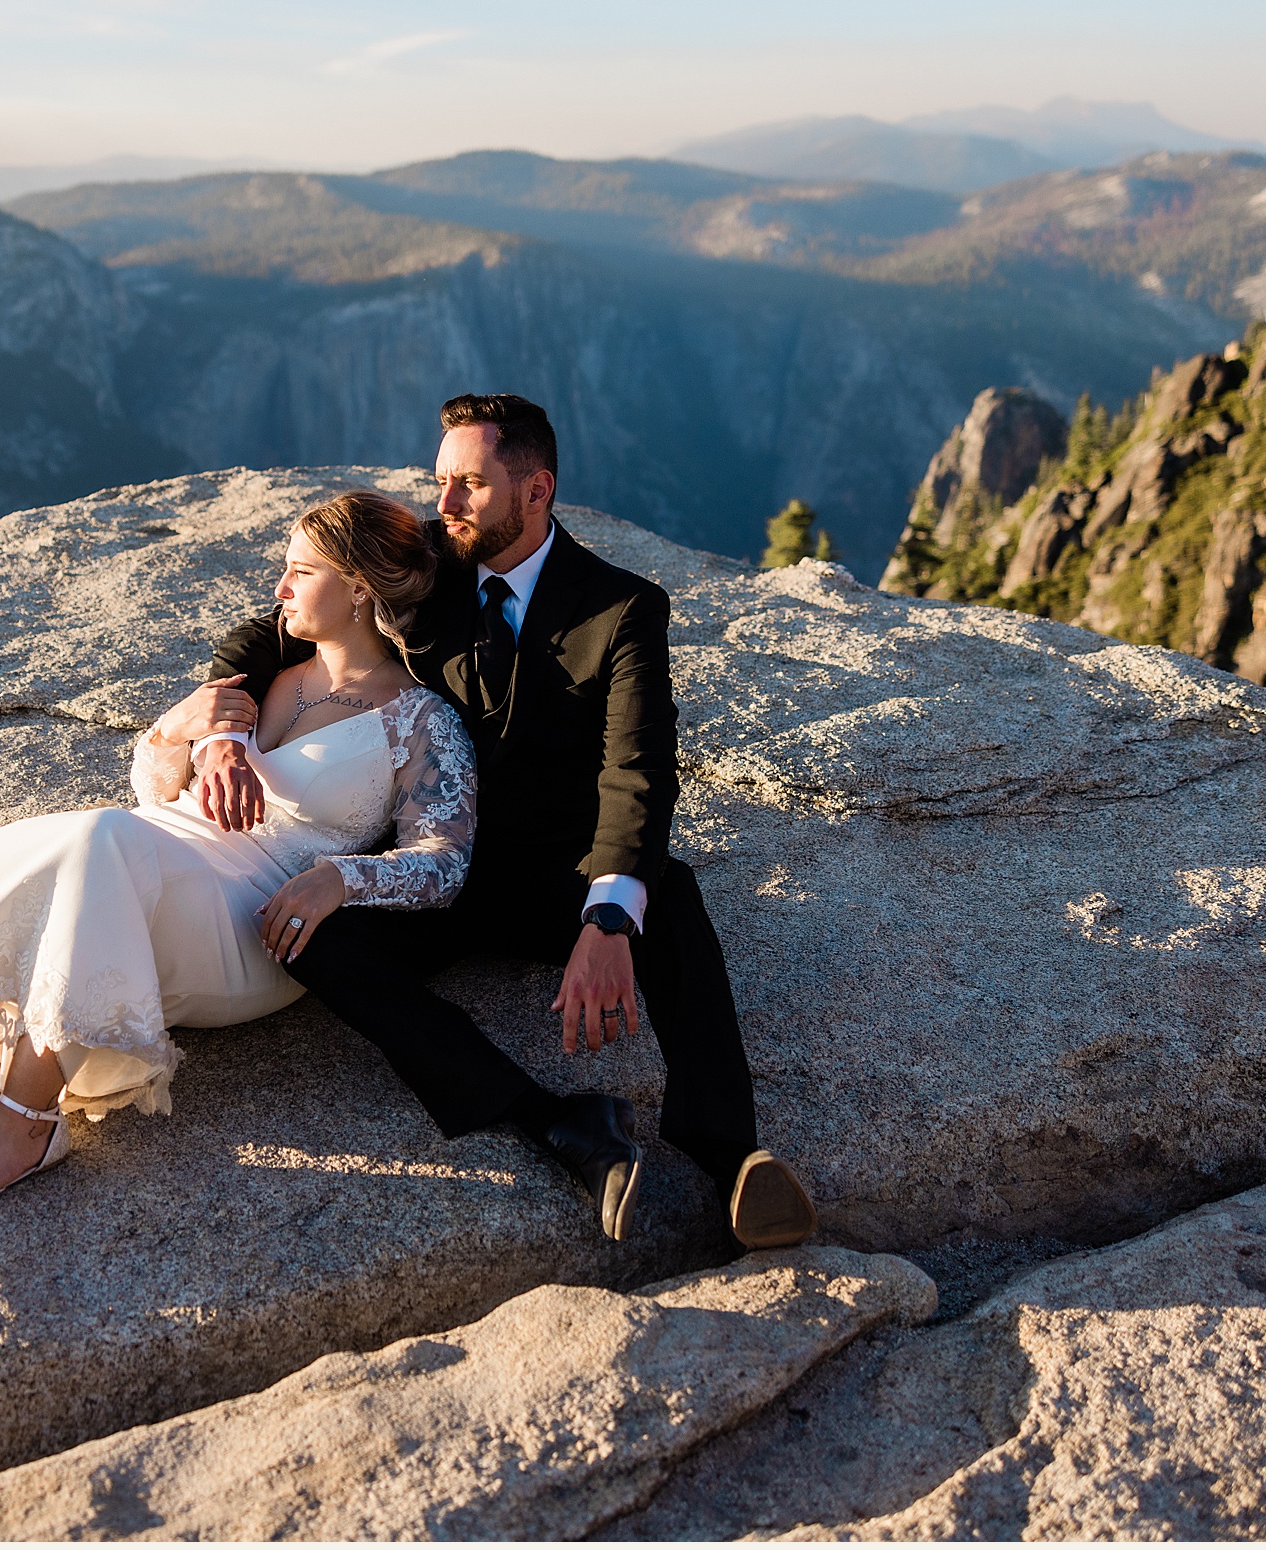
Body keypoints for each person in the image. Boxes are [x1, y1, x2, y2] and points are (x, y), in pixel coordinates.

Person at [0, 491, 477, 1240]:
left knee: (99, 842)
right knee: (23, 845)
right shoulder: (267, 676)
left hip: (249, 922)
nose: (280, 588)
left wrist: (340, 878)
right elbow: (157, 789)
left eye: (300, 571)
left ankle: (25, 1124)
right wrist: (178, 727)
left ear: (361, 588)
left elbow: (445, 863)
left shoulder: (421, 720)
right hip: (156, 848)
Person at [192, 393, 815, 1247]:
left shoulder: (622, 610)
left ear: (536, 490)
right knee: (316, 935)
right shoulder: (425, 565)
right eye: (441, 481)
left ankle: (734, 1158)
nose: (443, 506)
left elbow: (638, 771)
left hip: (552, 874)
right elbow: (263, 636)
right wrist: (223, 735)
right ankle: (560, 1123)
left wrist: (604, 920)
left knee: (669, 899)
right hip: (427, 865)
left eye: (469, 486)